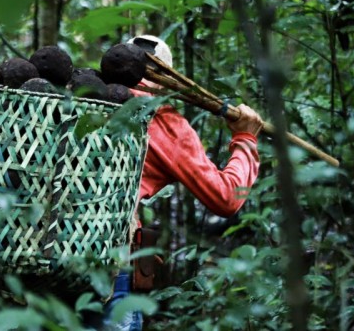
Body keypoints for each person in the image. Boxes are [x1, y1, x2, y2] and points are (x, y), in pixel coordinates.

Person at [90, 35, 263, 331]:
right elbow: (226, 197)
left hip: (46, 247)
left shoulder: (85, 94)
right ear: (165, 78)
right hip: (107, 257)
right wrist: (245, 138)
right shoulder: (162, 118)